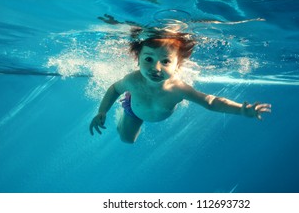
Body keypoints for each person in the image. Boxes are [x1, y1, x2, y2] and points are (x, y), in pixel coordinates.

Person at [90, 27, 271, 143]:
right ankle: (123, 116)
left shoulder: (178, 89)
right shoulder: (133, 80)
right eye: (148, 59)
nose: (156, 67)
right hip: (133, 109)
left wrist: (240, 109)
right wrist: (102, 111)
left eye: (166, 61)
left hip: (152, 107)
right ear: (138, 59)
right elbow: (114, 89)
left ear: (178, 65)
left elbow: (210, 101)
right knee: (127, 140)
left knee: (128, 140)